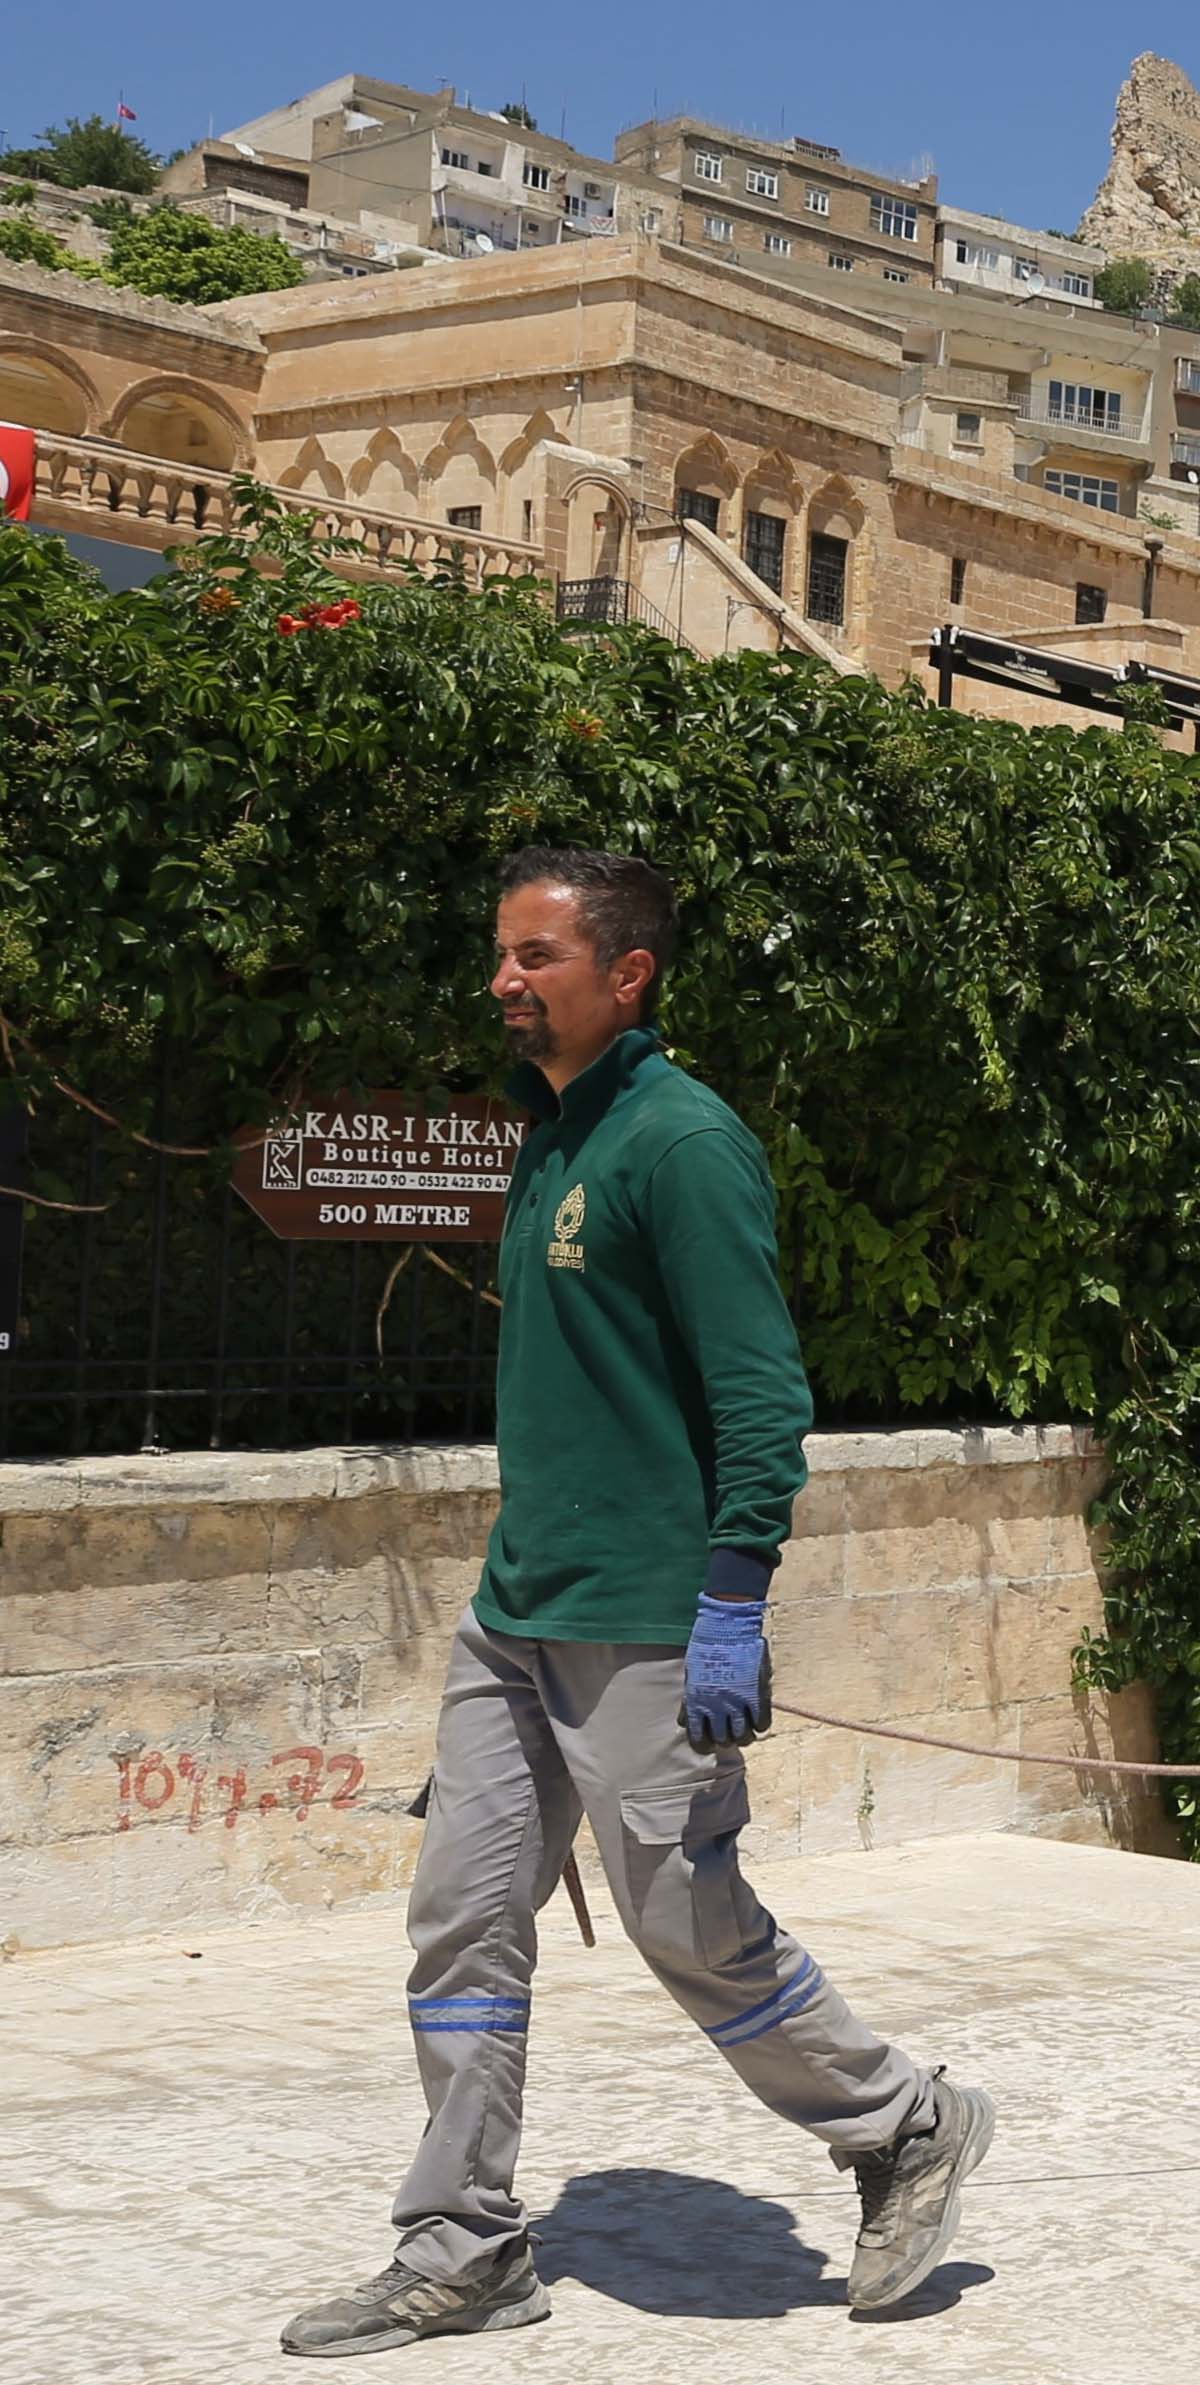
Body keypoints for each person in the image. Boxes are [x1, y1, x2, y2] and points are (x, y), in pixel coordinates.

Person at [284, 849, 990, 2356]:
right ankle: (464, 2243)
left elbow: (762, 1395)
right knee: (461, 1920)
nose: (504, 979)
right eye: (500, 953)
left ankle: (902, 2120)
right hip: (514, 1610)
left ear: (628, 974)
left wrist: (732, 1595)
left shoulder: (683, 1144)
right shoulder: (550, 1137)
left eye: (535, 956)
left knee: (686, 1923)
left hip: (650, 1618)